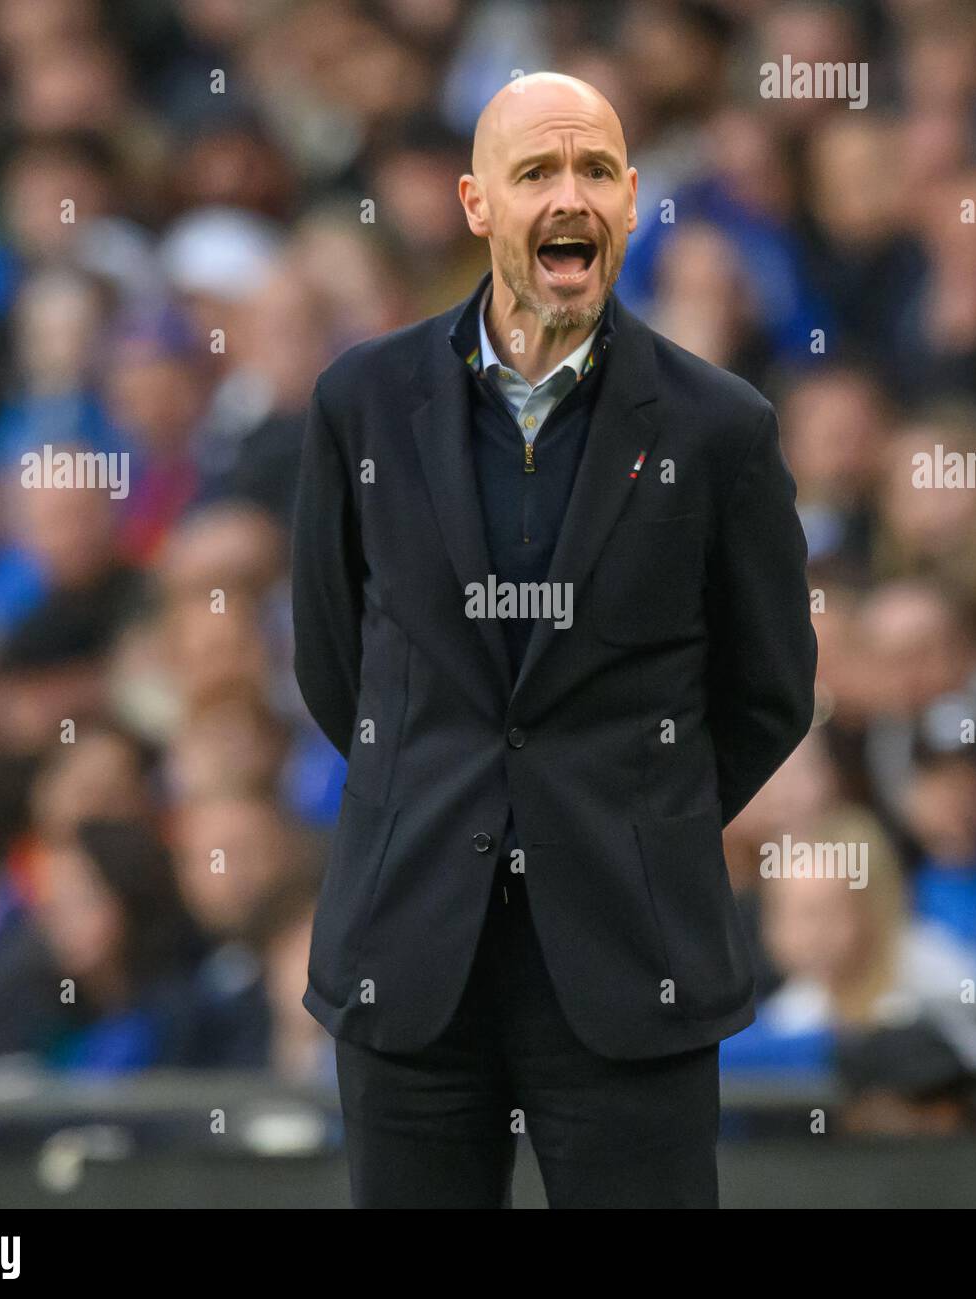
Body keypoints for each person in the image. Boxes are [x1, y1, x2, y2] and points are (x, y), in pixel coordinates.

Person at [291, 72, 817, 1209]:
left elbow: (768, 690)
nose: (567, 196)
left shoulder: (721, 427)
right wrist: (447, 791)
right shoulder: (361, 403)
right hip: (410, 950)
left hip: (635, 964)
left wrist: (636, 816)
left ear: (630, 204)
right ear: (478, 204)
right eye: (535, 172)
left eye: (592, 173)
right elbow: (336, 665)